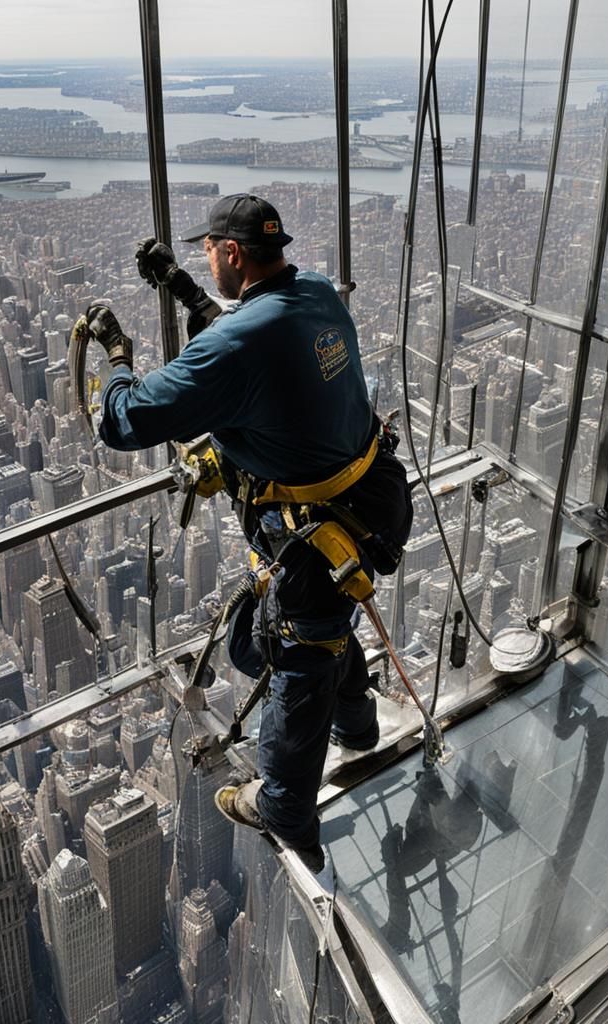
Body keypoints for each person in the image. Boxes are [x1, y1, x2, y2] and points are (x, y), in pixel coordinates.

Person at [86, 193, 411, 872]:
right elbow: (251, 342)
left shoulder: (240, 342)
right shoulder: (316, 291)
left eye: (209, 251)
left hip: (315, 538)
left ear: (232, 254)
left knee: (291, 645)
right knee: (330, 624)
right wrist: (179, 285)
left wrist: (119, 358)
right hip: (373, 500)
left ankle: (286, 804)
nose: (207, 259)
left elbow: (127, 422)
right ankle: (356, 723)